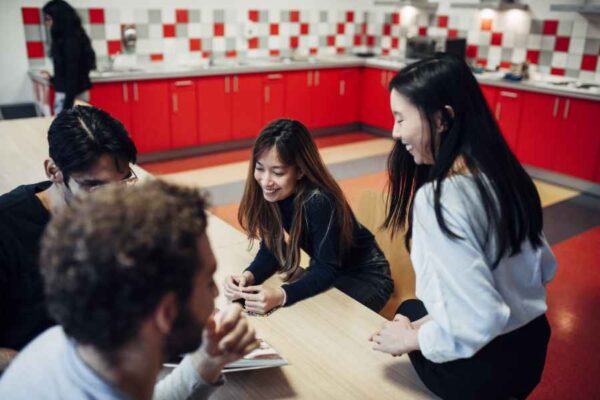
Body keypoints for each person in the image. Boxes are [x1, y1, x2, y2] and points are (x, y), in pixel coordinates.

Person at [369, 54, 556, 400]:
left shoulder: (440, 199)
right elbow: (546, 268)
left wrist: (411, 339)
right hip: (530, 351)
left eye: (400, 119)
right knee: (413, 311)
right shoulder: (507, 177)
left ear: (442, 119)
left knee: (407, 316)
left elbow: (478, 320)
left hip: (484, 373)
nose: (395, 133)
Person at [0, 180, 259, 399]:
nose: (215, 294)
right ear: (166, 313)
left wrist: (206, 362)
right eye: (208, 281)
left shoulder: (62, 341)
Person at [0, 105, 137, 372]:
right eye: (94, 186)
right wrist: (58, 368)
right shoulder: (7, 229)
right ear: (54, 171)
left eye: (123, 182)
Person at [223, 119, 394, 314]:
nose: (266, 181)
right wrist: (248, 276)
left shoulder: (318, 200)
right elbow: (272, 248)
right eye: (260, 168)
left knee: (320, 324)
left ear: (300, 171)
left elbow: (326, 268)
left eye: (277, 172)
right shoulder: (276, 192)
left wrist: (281, 295)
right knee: (297, 315)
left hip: (368, 277)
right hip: (331, 272)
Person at [42, 0, 96, 114]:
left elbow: (72, 76)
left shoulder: (69, 42)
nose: (46, 23)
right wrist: (53, 79)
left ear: (58, 19)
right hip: (75, 95)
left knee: (68, 130)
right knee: (79, 129)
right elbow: (71, 73)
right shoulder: (74, 37)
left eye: (48, 19)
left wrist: (66, 109)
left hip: (69, 97)